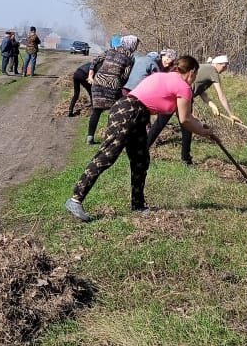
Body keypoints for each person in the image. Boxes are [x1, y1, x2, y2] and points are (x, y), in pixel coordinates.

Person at [65, 55, 215, 222]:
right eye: (195, 74)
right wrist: (204, 132)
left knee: (141, 160)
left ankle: (138, 205)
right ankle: (75, 199)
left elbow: (187, 117)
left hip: (134, 112)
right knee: (107, 155)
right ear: (192, 72)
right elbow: (185, 120)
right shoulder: (182, 86)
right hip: (130, 111)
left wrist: (203, 128)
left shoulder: (163, 76)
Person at [148, 54, 239, 165]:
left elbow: (200, 90)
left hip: (176, 93)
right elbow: (221, 95)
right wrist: (230, 114)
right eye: (224, 66)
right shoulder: (213, 71)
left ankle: (144, 148)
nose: (225, 69)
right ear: (218, 64)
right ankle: (186, 159)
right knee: (186, 126)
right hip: (183, 95)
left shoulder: (205, 68)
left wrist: (211, 104)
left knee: (160, 123)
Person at [87, 35, 139, 144]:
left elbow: (95, 61)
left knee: (96, 110)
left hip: (98, 82)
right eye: (136, 45)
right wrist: (120, 85)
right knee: (114, 111)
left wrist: (91, 76)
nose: (136, 47)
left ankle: (90, 137)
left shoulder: (111, 49)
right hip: (113, 85)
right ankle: (110, 137)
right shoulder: (130, 57)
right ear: (131, 44)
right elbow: (125, 76)